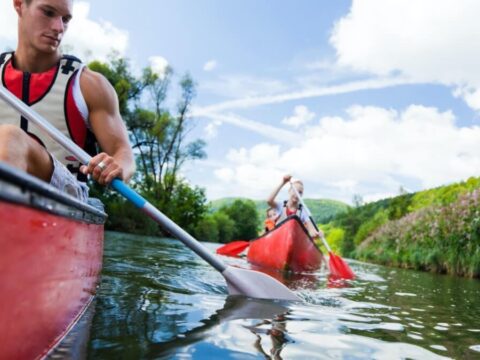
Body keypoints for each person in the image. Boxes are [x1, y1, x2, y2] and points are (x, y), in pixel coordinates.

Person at [0, 0, 135, 202]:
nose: (58, 28)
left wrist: (117, 166)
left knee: (10, 138)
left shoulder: (89, 84)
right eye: (48, 12)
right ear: (19, 5)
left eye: (65, 19)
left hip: (66, 195)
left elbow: (123, 153)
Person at [267, 174, 323, 238]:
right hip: (278, 237)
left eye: (300, 192)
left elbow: (311, 230)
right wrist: (283, 182)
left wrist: (316, 233)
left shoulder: (303, 210)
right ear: (289, 191)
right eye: (294, 190)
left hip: (293, 239)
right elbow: (269, 200)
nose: (297, 194)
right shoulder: (281, 205)